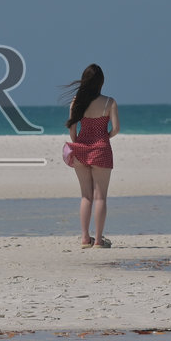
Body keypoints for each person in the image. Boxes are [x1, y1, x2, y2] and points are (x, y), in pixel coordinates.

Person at [59, 63, 119, 248]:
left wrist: (79, 143)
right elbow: (116, 129)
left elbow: (72, 130)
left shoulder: (77, 101)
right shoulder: (109, 102)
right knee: (100, 197)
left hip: (81, 149)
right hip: (101, 149)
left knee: (86, 196)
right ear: (101, 82)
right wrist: (104, 137)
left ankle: (85, 238)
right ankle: (99, 240)